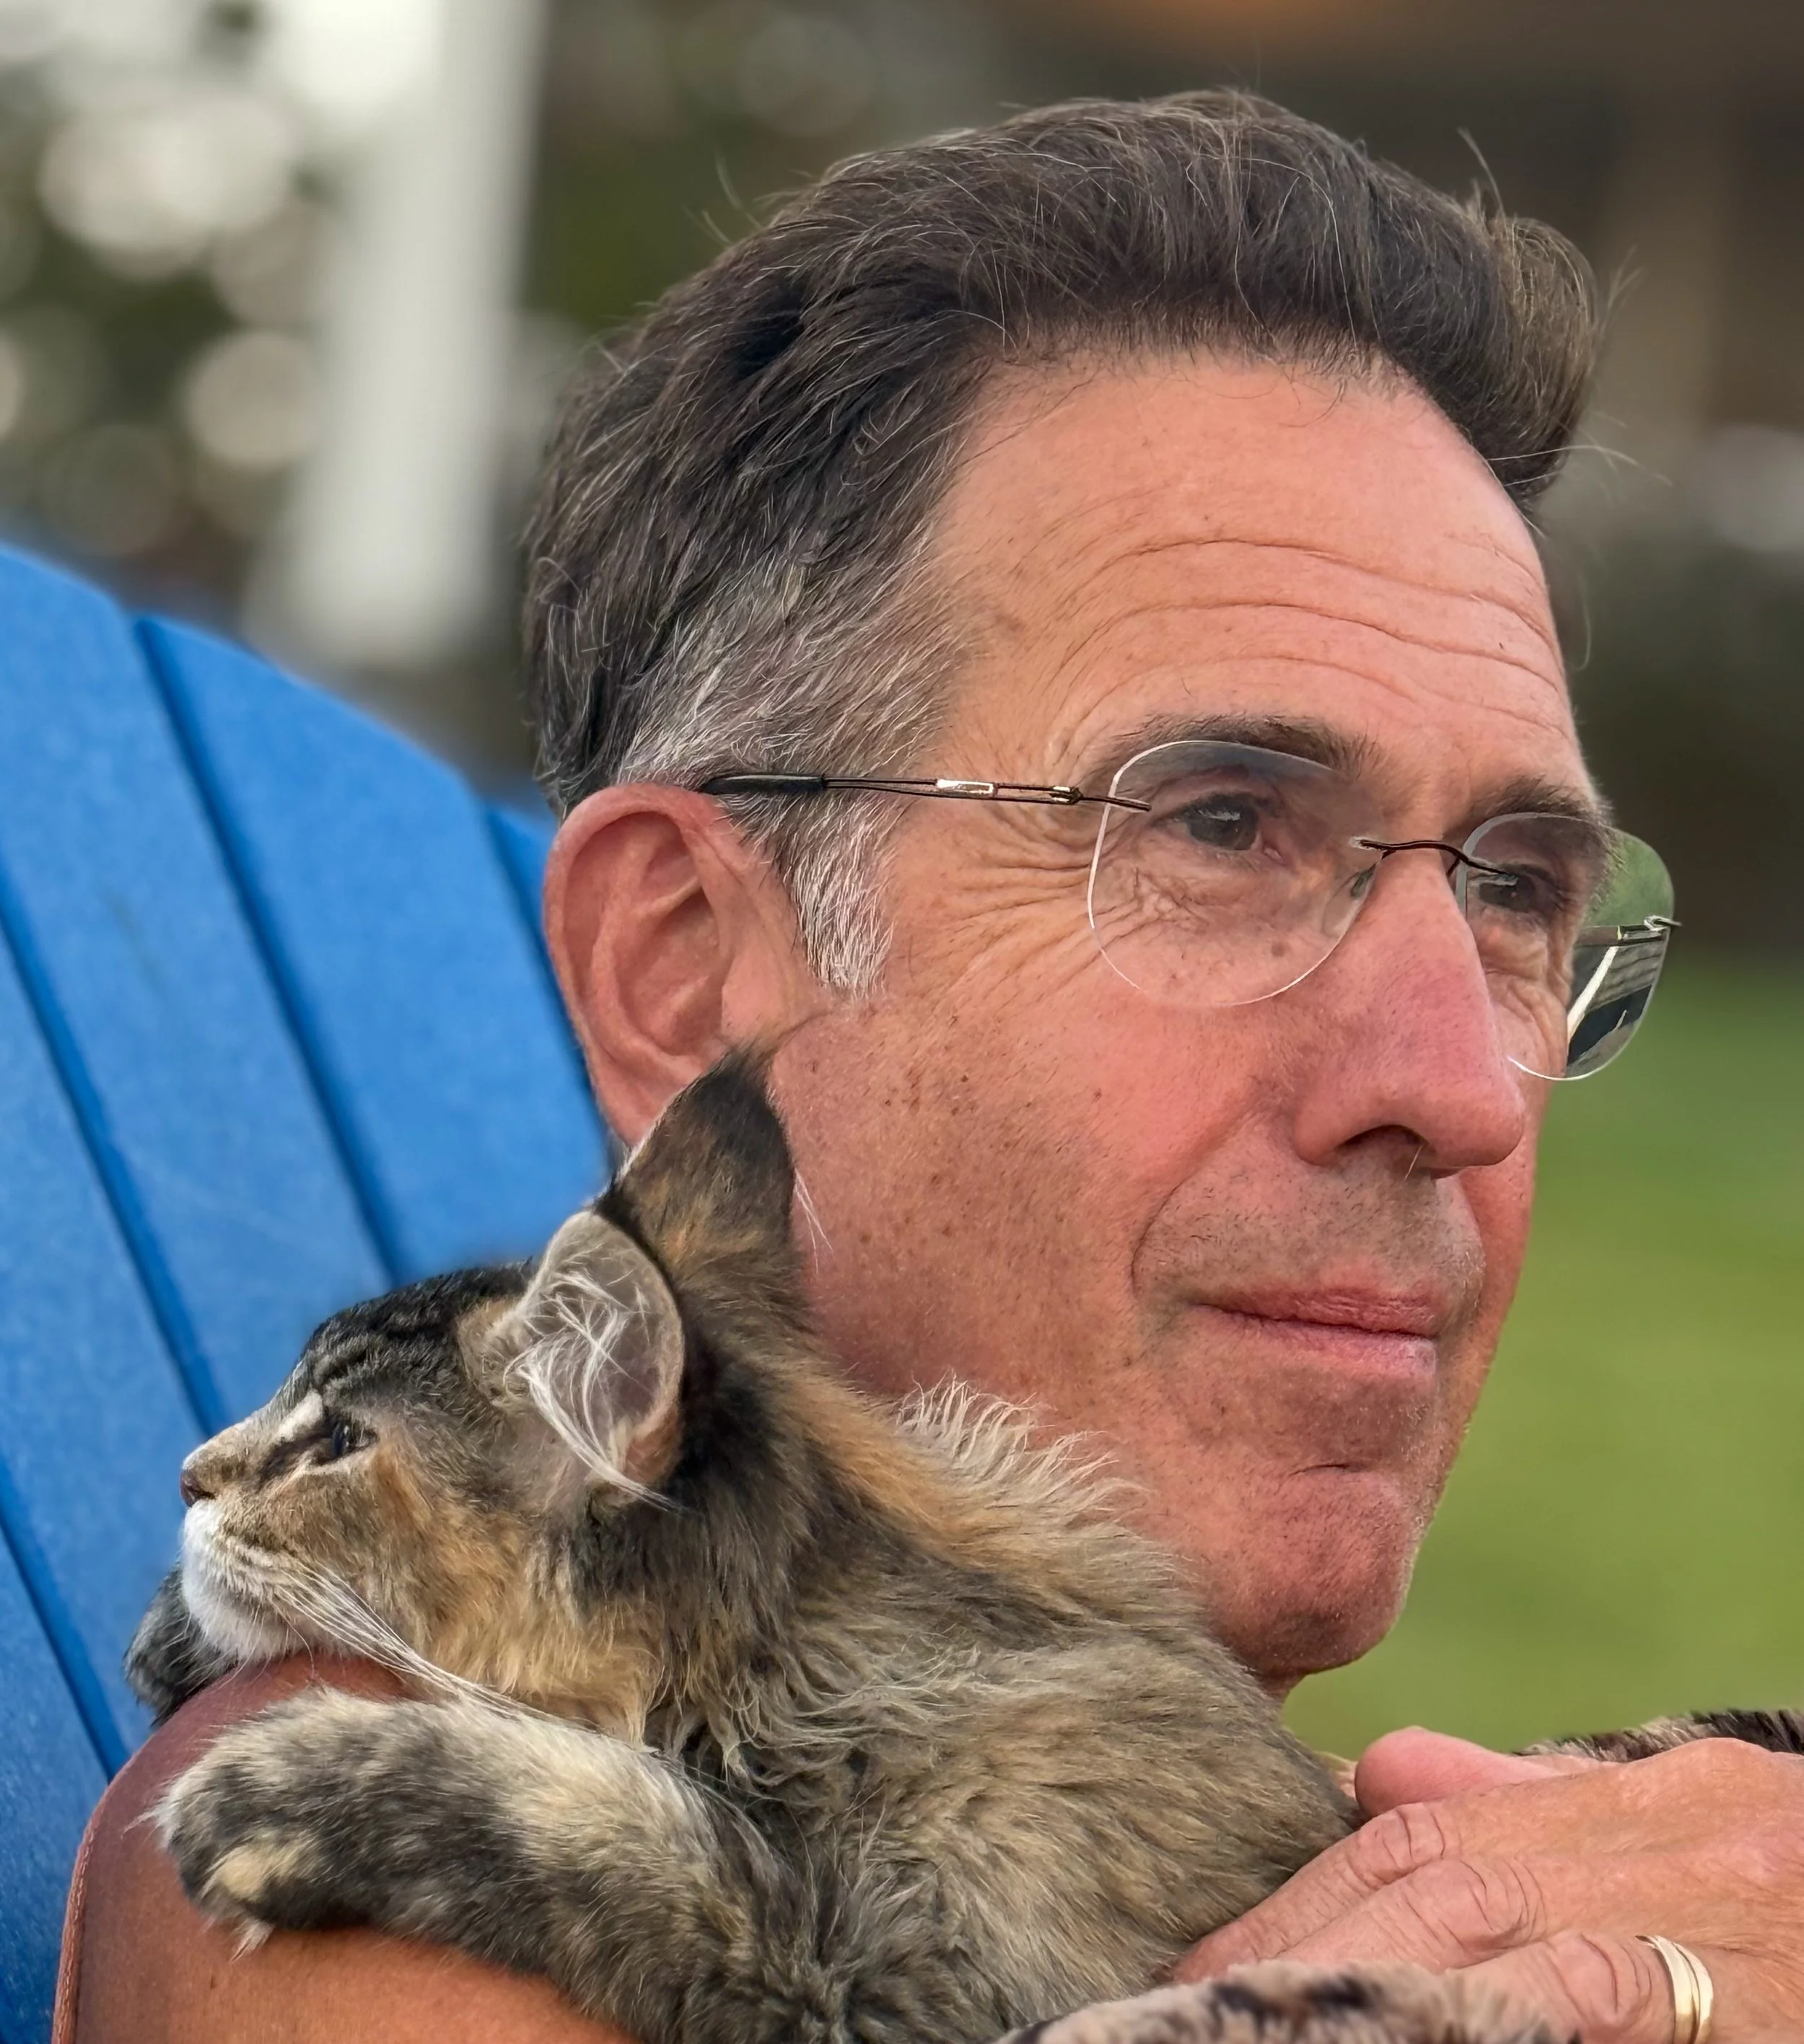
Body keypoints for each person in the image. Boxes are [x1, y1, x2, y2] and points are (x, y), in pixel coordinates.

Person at [58, 92, 1804, 2044]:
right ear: (688, 968)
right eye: (1218, 826)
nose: (1463, 1087)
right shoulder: (403, 1889)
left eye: (1511, 886)